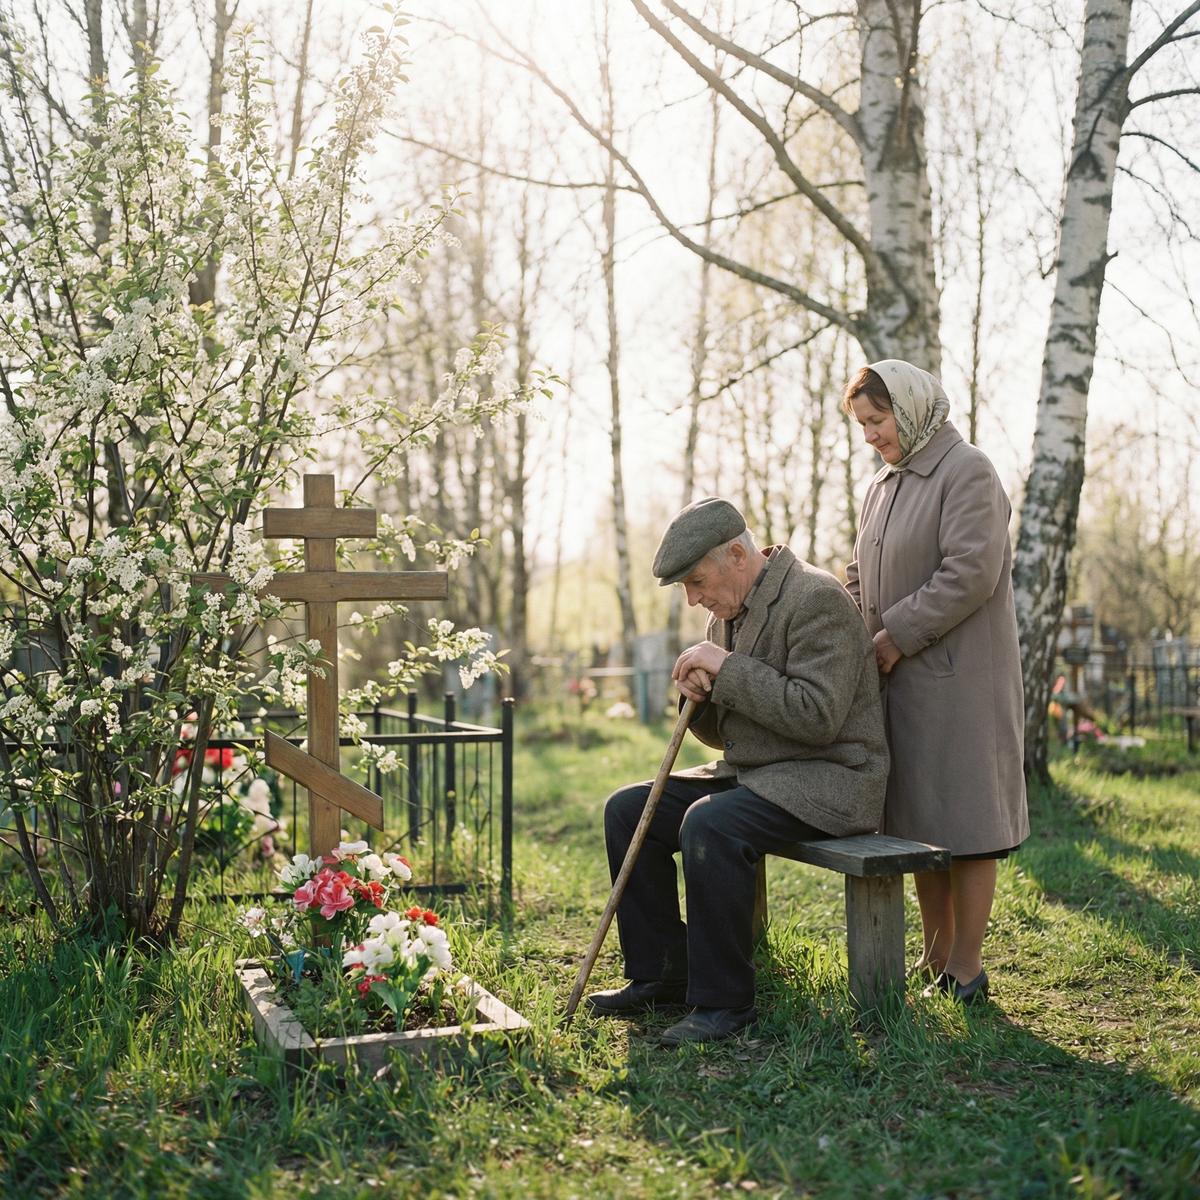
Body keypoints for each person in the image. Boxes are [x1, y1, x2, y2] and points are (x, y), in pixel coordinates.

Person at [587, 497, 889, 1045]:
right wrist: (700, 697)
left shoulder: (817, 598)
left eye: (697, 582)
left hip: (831, 777)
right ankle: (661, 971)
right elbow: (728, 735)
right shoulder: (727, 613)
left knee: (711, 823)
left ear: (736, 555)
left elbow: (817, 717)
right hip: (758, 773)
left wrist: (727, 669)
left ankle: (724, 1003)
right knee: (628, 809)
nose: (693, 598)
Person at [843, 359, 1029, 1004]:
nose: (870, 435)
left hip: (960, 682)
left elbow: (971, 571)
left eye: (878, 419)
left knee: (968, 825)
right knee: (921, 821)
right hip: (899, 681)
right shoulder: (882, 485)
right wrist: (853, 631)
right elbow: (861, 572)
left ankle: (967, 968)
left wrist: (895, 634)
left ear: (912, 409)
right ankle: (936, 955)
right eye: (862, 424)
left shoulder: (967, 470)